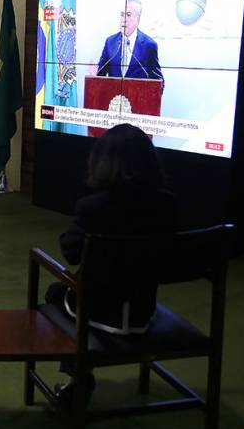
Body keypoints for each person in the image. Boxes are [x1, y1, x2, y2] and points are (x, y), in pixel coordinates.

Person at [50, 123, 178, 404]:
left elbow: (70, 253)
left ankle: (79, 377)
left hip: (98, 312)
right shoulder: (169, 205)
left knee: (54, 292)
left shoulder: (93, 207)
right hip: (144, 312)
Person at [95, 0, 163, 81]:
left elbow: (158, 82)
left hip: (138, 94)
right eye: (122, 14)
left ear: (138, 18)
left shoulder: (149, 45)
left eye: (128, 15)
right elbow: (100, 76)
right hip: (114, 94)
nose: (124, 20)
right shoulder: (110, 42)